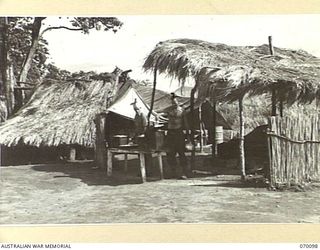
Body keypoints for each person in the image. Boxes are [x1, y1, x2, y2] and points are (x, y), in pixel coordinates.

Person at [166, 93, 189, 180]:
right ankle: (173, 172)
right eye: (172, 102)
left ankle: (184, 172)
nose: (174, 104)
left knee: (181, 152)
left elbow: (185, 123)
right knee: (171, 153)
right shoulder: (169, 111)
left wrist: (188, 134)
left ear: (178, 102)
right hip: (171, 132)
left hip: (179, 133)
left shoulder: (182, 111)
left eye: (175, 102)